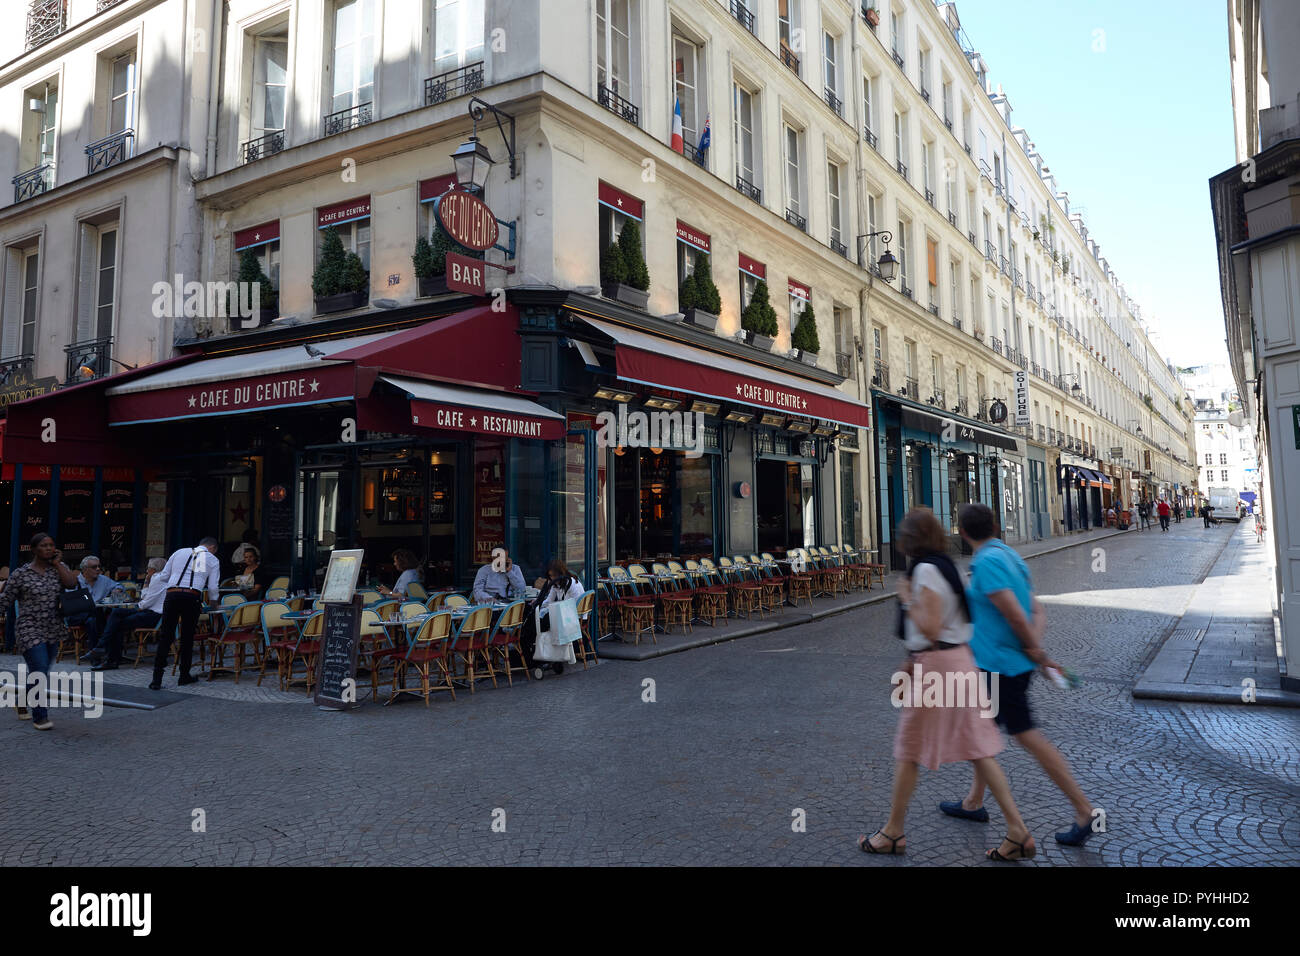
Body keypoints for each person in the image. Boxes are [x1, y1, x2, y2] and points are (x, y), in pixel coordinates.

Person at [859, 508, 1033, 861]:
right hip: (957, 661)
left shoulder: (923, 571)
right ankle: (1017, 831)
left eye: (902, 535)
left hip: (938, 667)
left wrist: (907, 598)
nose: (898, 541)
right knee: (977, 748)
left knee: (909, 748)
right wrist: (911, 660)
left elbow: (932, 627)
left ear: (911, 540)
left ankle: (893, 832)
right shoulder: (946, 566)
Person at [944, 504, 1097, 849]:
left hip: (999, 668)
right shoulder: (1012, 557)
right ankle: (973, 801)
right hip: (1010, 664)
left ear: (963, 533)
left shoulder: (985, 564)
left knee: (1025, 735)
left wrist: (1037, 654)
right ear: (996, 526)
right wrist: (1033, 648)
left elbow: (1014, 614)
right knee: (981, 733)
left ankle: (1083, 809)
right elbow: (1035, 610)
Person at [0, 533, 80, 730]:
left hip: (53, 627)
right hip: (29, 628)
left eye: (52, 545)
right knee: (40, 668)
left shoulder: (58, 570)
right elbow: (6, 599)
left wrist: (59, 564)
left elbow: (71, 584)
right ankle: (40, 716)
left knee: (40, 670)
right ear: (34, 550)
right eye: (44, 545)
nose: (49, 548)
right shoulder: (21, 574)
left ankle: (21, 699)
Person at [150, 537, 222, 690]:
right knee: (187, 637)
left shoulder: (179, 552)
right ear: (212, 547)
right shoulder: (211, 558)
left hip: (172, 595)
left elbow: (164, 576)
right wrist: (214, 603)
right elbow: (213, 586)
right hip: (191, 597)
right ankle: (184, 676)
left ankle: (156, 679)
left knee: (166, 635)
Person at [88, 558, 168, 671]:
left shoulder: (157, 579)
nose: (146, 571)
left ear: (153, 570)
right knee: (116, 613)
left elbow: (144, 602)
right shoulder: (163, 579)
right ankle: (104, 650)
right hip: (154, 614)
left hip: (153, 615)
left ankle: (108, 656)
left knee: (116, 623)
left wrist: (146, 581)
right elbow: (144, 601)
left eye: (148, 569)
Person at [518, 559, 586, 676]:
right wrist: (538, 603)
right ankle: (533, 651)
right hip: (566, 615)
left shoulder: (571, 584)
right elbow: (549, 600)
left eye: (554, 575)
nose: (553, 578)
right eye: (550, 576)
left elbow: (572, 607)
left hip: (572, 618)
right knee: (536, 622)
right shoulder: (557, 584)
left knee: (536, 625)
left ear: (560, 573)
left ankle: (532, 655)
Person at [69, 555, 124, 660]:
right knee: (98, 619)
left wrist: (117, 590)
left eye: (99, 566)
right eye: (94, 567)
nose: (98, 569)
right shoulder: (74, 581)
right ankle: (99, 654)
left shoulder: (104, 580)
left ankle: (106, 654)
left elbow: (119, 585)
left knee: (112, 619)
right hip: (78, 615)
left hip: (97, 615)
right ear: (85, 569)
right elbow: (71, 602)